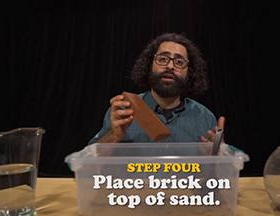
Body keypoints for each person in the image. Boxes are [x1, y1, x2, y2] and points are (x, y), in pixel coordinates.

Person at [89, 33, 225, 145]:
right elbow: (89, 163)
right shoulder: (123, 112)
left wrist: (220, 156)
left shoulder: (205, 117)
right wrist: (114, 135)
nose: (170, 66)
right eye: (163, 59)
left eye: (179, 62)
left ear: (190, 73)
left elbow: (218, 171)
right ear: (149, 65)